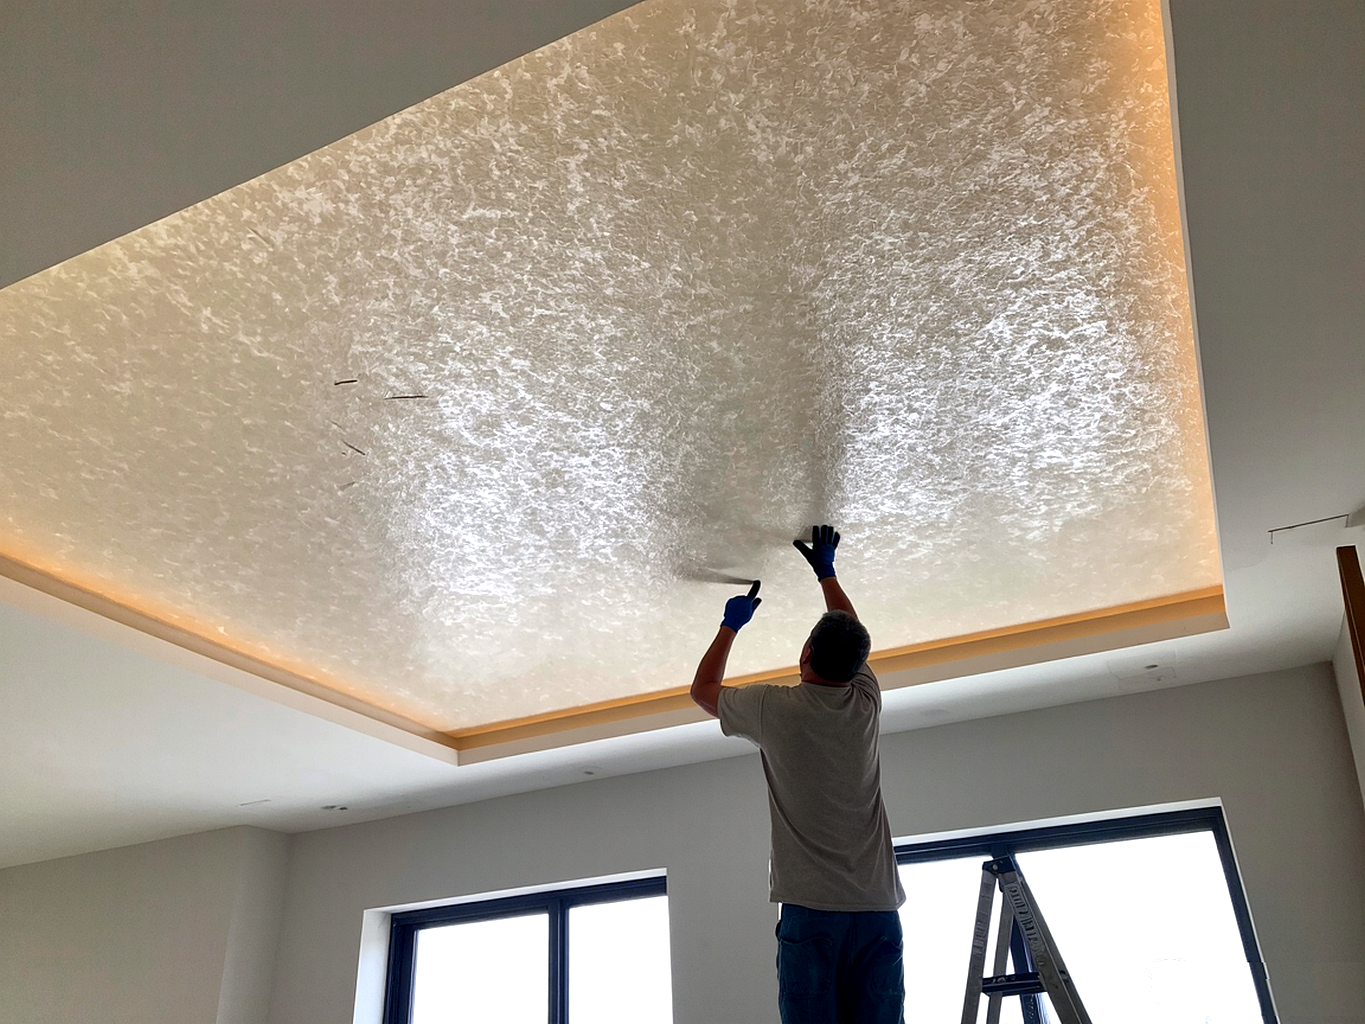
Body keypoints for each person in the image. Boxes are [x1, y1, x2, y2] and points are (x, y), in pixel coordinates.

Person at [690, 524, 906, 1024]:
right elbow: (851, 633)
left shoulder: (775, 709)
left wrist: (730, 626)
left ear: (805, 654)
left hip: (812, 913)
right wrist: (827, 573)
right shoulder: (864, 701)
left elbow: (703, 691)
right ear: (856, 667)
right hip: (877, 909)